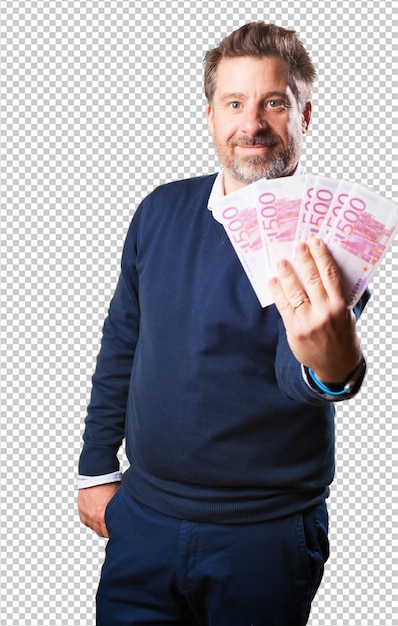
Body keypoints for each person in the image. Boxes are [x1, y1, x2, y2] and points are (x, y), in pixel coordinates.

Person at [78, 21, 370, 626]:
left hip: (264, 537)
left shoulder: (336, 237)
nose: (252, 124)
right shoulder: (158, 210)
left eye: (273, 103)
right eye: (234, 103)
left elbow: (299, 376)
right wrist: (97, 467)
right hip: (144, 519)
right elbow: (122, 344)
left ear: (304, 115)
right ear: (210, 113)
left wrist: (334, 368)